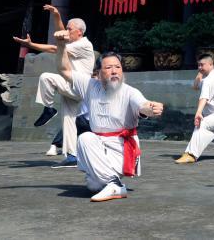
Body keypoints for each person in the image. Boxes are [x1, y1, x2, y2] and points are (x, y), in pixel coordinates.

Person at [54, 31, 164, 202]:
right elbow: (64, 70)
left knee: (86, 140)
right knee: (93, 184)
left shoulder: (130, 92)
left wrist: (151, 108)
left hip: (120, 148)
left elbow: (142, 105)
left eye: (117, 67)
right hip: (97, 146)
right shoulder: (90, 85)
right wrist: (61, 45)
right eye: (108, 68)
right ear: (98, 73)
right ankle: (110, 183)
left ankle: (115, 184)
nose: (114, 71)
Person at [13, 4, 94, 167]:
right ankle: (72, 156)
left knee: (46, 77)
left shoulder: (83, 44)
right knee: (68, 120)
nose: (67, 31)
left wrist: (31, 45)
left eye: (70, 29)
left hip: (79, 84)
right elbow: (60, 38)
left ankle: (49, 108)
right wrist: (56, 15)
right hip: (72, 85)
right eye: (67, 28)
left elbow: (55, 46)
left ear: (80, 32)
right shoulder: (73, 44)